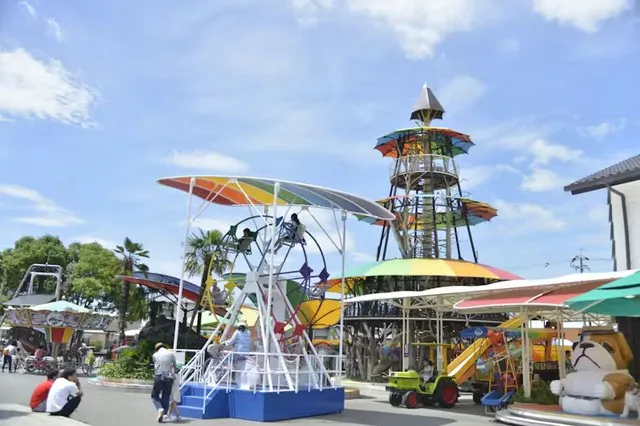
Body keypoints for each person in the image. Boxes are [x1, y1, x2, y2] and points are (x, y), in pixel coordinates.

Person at [151, 342, 177, 423]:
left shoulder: (155, 355)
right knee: (166, 395)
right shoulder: (171, 353)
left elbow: (155, 364)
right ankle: (165, 414)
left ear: (157, 349)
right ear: (164, 347)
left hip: (159, 375)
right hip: (169, 376)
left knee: (154, 395)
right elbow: (175, 365)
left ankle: (160, 408)